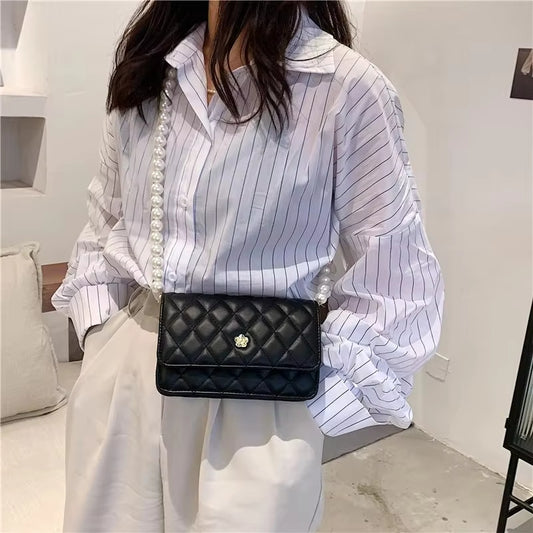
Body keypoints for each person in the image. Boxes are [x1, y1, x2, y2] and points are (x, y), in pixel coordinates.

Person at [51, 1, 444, 531]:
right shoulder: (149, 67)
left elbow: (399, 287)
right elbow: (106, 220)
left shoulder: (346, 89)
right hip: (125, 379)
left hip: (258, 398)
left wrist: (305, 408)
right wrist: (102, 337)